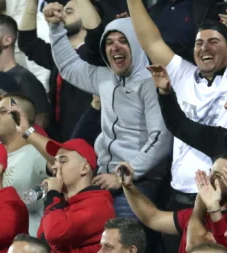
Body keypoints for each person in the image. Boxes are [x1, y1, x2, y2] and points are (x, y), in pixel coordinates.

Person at [128, 0, 227, 208]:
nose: (204, 48)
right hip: (179, 193)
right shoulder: (182, 74)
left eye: (213, 41)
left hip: (222, 194)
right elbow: (151, 42)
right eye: (199, 43)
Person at [45, 14, 171, 216]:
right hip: (105, 178)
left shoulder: (150, 83)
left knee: (122, 243)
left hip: (137, 182)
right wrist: (55, 28)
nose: (116, 47)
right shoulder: (104, 78)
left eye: (123, 41)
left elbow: (161, 138)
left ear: (137, 45)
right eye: (109, 42)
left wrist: (124, 174)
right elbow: (69, 67)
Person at [36, 138, 114, 253]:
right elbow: (42, 242)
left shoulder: (99, 204)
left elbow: (56, 232)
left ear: (84, 167)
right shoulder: (59, 204)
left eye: (63, 160)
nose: (55, 167)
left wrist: (52, 195)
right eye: (55, 162)